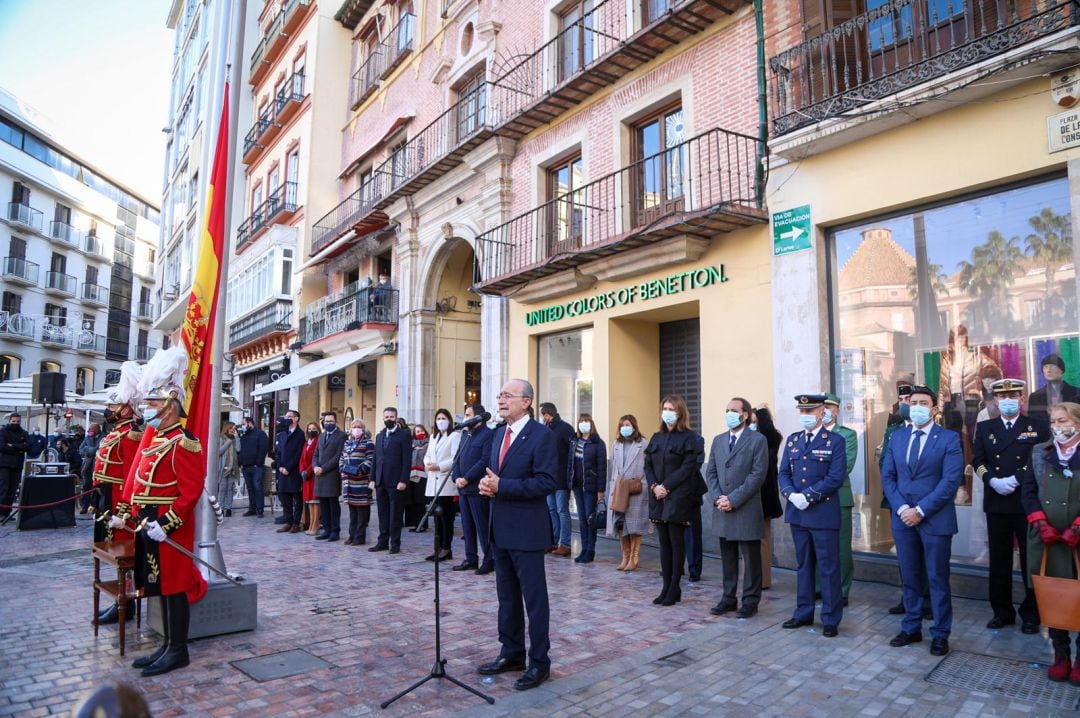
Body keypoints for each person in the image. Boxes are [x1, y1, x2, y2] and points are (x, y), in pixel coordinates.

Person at [112, 346, 208, 677]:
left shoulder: (185, 442)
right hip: (149, 523)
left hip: (171, 526)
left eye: (152, 405)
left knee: (175, 585)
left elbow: (190, 491)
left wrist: (167, 524)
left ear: (169, 407)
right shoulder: (155, 439)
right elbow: (141, 480)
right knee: (158, 584)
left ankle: (178, 650)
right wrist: (133, 513)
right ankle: (167, 644)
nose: (147, 410)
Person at [477, 379, 557, 691]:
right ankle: (511, 652)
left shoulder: (542, 436)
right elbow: (493, 474)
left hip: (528, 531)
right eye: (500, 395)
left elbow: (546, 482)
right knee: (506, 598)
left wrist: (502, 487)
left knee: (534, 601)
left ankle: (539, 662)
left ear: (526, 401)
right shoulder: (499, 434)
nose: (501, 400)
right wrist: (487, 486)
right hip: (500, 528)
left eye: (507, 395)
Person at [881, 385, 964, 657]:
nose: (916, 406)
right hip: (903, 518)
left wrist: (921, 510)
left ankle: (940, 633)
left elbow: (950, 481)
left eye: (923, 402)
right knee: (910, 576)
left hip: (935, 519)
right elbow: (888, 476)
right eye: (913, 402)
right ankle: (911, 627)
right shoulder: (898, 437)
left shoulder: (949, 439)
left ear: (934, 408)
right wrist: (903, 507)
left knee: (937, 578)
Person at [974, 378, 1049, 633]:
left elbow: (1042, 458)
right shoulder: (985, 427)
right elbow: (978, 460)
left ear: (1022, 399)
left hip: (1025, 501)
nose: (1008, 401)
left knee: (1031, 561)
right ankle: (1001, 611)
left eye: (1013, 396)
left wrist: (1017, 478)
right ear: (995, 401)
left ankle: (1031, 613)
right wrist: (992, 480)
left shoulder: (1037, 426)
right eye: (1003, 397)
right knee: (999, 560)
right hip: (996, 502)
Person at [778, 394, 846, 638]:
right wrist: (791, 495)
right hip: (798, 514)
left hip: (823, 514)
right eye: (802, 412)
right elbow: (783, 472)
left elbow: (836, 477)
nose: (805, 416)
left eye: (810, 411)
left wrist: (808, 495)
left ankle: (830, 618)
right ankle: (803, 612)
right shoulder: (793, 440)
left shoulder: (834, 441)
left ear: (822, 413)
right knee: (804, 565)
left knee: (828, 568)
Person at [1022, 401, 1080, 683]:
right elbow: (1028, 490)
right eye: (1054, 421)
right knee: (1055, 598)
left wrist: (1078, 527)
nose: (1057, 427)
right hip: (1048, 540)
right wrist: (1040, 523)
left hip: (1077, 539)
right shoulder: (1039, 452)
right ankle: (1061, 655)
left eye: (1063, 421)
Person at [90, 361, 146, 625]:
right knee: (110, 551)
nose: (110, 410)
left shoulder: (132, 435)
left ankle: (126, 601)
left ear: (127, 409)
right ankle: (119, 600)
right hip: (106, 498)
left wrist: (125, 509)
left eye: (114, 407)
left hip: (120, 503)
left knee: (123, 553)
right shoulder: (116, 432)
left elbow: (132, 474)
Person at [706, 397, 768, 619]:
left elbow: (757, 475)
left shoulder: (757, 440)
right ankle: (728, 598)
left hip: (745, 507)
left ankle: (750, 601)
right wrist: (717, 498)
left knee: (751, 558)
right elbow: (710, 472)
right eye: (726, 410)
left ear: (744, 415)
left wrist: (733, 499)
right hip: (722, 508)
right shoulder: (718, 440)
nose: (729, 414)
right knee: (727, 557)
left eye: (733, 410)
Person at [645, 395, 703, 607]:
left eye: (671, 408)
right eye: (664, 408)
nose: (667, 411)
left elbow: (688, 468)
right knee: (664, 544)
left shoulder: (688, 438)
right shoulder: (656, 437)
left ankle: (675, 587)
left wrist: (666, 486)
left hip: (677, 496)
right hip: (658, 496)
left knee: (676, 542)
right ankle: (665, 586)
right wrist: (654, 486)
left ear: (679, 412)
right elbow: (648, 465)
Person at [819, 393, 858, 606]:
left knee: (841, 547)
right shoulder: (810, 433)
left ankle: (842, 590)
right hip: (814, 500)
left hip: (839, 497)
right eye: (822, 407)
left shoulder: (847, 435)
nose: (825, 411)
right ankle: (818, 587)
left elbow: (845, 466)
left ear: (837, 411)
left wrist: (817, 480)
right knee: (817, 546)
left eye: (830, 407)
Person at [454, 403, 495, 574]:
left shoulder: (488, 434)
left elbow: (484, 460)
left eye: (468, 415)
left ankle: (489, 559)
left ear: (478, 417)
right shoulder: (466, 434)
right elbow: (457, 457)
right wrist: (456, 477)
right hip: (463, 489)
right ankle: (471, 558)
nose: (465, 418)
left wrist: (467, 478)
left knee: (482, 526)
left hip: (477, 489)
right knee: (467, 526)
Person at [607, 415, 648, 571]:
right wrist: (611, 489)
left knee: (634, 525)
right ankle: (625, 556)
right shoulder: (616, 444)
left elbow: (647, 467)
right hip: (619, 490)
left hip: (636, 489)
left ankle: (634, 557)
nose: (625, 427)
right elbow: (613, 468)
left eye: (628, 424)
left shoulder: (643, 444)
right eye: (622, 424)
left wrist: (643, 484)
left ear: (634, 426)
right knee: (621, 524)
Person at [371, 406, 412, 553]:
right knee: (382, 513)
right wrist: (372, 478)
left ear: (396, 418)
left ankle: (395, 544)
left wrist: (404, 480)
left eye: (391, 417)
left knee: (395, 514)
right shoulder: (380, 435)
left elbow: (407, 460)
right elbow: (376, 459)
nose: (389, 419)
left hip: (396, 481)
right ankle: (382, 542)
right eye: (386, 417)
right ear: (383, 418)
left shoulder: (404, 435)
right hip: (380, 480)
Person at [751, 407, 784, 589]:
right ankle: (751, 578)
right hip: (750, 496)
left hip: (764, 495)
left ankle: (763, 580)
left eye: (755, 422)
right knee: (749, 540)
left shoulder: (770, 440)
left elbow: (764, 466)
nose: (752, 426)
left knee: (763, 539)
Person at [569, 413, 606, 564]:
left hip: (591, 487)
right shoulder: (574, 441)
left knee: (591, 520)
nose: (583, 424)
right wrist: (569, 483)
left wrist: (600, 490)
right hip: (577, 486)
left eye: (586, 421)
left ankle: (590, 550)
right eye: (581, 422)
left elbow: (602, 468)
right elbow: (570, 464)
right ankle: (583, 549)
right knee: (582, 519)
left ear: (591, 424)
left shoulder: (597, 443)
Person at [424, 409, 461, 562]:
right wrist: (428, 464)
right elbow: (427, 455)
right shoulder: (433, 437)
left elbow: (455, 458)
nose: (440, 421)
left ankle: (447, 548)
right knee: (437, 518)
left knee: (447, 518)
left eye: (443, 418)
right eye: (438, 418)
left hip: (446, 482)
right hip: (433, 482)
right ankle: (437, 548)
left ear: (449, 420)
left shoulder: (454, 436)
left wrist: (439, 466)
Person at [538, 402, 575, 557]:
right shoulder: (545, 429)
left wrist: (569, 476)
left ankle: (565, 544)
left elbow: (571, 454)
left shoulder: (565, 429)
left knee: (562, 510)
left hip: (561, 478)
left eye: (543, 415)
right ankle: (553, 542)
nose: (542, 418)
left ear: (548, 414)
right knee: (552, 510)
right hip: (549, 478)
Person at [312, 412, 347, 542]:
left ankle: (335, 531)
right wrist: (315, 466)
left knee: (333, 505)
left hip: (331, 475)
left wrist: (323, 468)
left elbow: (338, 456)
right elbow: (315, 454)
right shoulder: (321, 436)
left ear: (336, 421)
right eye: (326, 421)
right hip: (319, 476)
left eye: (331, 421)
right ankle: (326, 529)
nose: (328, 423)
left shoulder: (342, 436)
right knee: (323, 505)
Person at [340, 419, 375, 545]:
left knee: (361, 512)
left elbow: (370, 460)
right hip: (348, 483)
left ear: (363, 429)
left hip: (361, 482)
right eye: (354, 426)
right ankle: (351, 535)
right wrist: (343, 468)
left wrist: (357, 470)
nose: (356, 429)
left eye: (359, 426)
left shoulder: (368, 443)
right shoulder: (347, 443)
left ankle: (359, 537)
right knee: (352, 512)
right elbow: (342, 458)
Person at [274, 409, 305, 533]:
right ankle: (289, 520)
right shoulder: (282, 433)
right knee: (284, 496)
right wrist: (280, 466)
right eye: (285, 416)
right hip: (282, 471)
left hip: (294, 471)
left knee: (297, 498)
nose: (287, 418)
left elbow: (299, 454)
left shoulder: (300, 434)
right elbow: (278, 451)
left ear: (296, 418)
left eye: (290, 416)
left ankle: (296, 523)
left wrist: (288, 467)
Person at [1029, 354, 1080, 422]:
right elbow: (1033, 421)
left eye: (1053, 367)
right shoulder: (1035, 396)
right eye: (1045, 367)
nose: (1048, 370)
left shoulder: (1076, 393)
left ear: (1061, 370)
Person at [685, 433, 707, 582]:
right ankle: (674, 566)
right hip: (669, 493)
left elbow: (694, 466)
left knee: (692, 534)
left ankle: (694, 569)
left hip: (690, 492)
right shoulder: (662, 438)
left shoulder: (696, 440)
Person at [238, 415, 269, 517]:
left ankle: (260, 510)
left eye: (243, 424)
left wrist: (258, 463)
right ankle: (252, 509)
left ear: (250, 423)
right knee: (250, 488)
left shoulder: (260, 434)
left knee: (257, 488)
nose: (242, 426)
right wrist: (241, 463)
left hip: (256, 467)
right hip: (245, 466)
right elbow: (240, 450)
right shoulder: (243, 435)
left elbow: (263, 449)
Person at [0, 412, 30, 519]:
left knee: (12, 490)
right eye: (14, 421)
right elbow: (2, 446)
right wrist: (19, 448)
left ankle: (7, 513)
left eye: (18, 421)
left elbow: (28, 446)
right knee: (4, 489)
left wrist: (12, 445)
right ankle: (1, 513)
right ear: (9, 421)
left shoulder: (23, 432)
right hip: (4, 465)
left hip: (17, 465)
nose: (16, 423)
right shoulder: (3, 432)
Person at [406, 422, 429, 532]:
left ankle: (423, 524)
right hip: (412, 475)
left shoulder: (429, 444)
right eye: (417, 431)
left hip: (423, 475)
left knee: (421, 501)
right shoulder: (411, 445)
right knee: (413, 501)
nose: (420, 433)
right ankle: (415, 524)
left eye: (421, 431)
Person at [299, 422, 320, 534]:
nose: (311, 430)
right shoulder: (306, 443)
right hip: (306, 477)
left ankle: (316, 525)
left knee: (316, 501)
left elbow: (316, 459)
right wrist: (302, 470)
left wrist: (308, 471)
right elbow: (302, 459)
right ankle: (311, 523)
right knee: (310, 502)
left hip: (313, 475)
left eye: (314, 428)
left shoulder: (318, 442)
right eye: (309, 428)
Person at [78, 423, 103, 514]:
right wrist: (91, 450)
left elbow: (100, 449)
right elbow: (81, 449)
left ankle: (95, 507)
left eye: (91, 431)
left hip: (97, 466)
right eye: (89, 431)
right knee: (86, 486)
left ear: (97, 430)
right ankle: (84, 506)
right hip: (87, 466)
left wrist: (88, 449)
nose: (90, 432)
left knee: (96, 487)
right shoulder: (88, 437)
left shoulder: (103, 437)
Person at [217, 422, 239, 518]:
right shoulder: (221, 438)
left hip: (232, 467)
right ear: (227, 428)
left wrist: (237, 438)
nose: (233, 430)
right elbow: (219, 451)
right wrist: (228, 442)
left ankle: (229, 508)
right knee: (222, 489)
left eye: (234, 428)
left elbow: (238, 449)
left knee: (230, 489)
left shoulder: (234, 439)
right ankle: (221, 508)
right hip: (223, 467)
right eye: (231, 428)